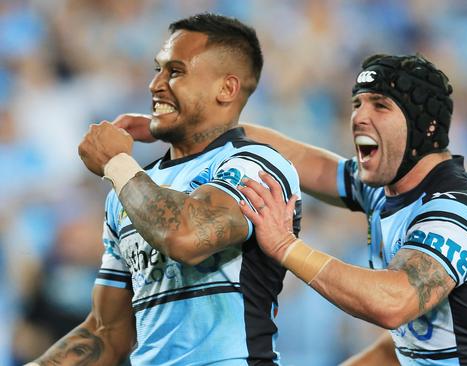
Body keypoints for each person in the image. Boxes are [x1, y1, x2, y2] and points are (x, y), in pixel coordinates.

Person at [29, 13, 301, 365]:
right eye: (157, 69)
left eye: (175, 71)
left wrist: (116, 163)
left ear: (226, 89)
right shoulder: (129, 190)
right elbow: (106, 332)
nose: (155, 84)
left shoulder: (258, 167)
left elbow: (185, 236)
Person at [232, 54, 467, 365]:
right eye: (357, 104)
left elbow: (394, 303)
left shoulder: (457, 209)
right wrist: (218, 131)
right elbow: (313, 165)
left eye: (380, 105)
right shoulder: (383, 187)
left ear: (425, 127)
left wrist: (285, 246)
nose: (359, 116)